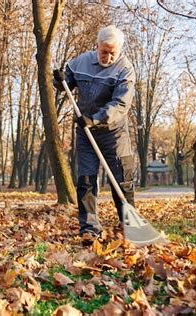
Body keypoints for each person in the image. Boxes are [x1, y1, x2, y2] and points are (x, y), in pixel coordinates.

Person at [53, 25, 136, 244]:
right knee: (87, 179)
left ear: (119, 51)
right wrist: (60, 80)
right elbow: (67, 83)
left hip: (113, 133)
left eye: (112, 53)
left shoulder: (125, 69)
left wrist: (96, 119)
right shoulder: (80, 62)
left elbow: (120, 103)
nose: (107, 57)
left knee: (122, 180)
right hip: (85, 132)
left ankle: (129, 226)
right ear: (97, 45)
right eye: (104, 51)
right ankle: (89, 228)